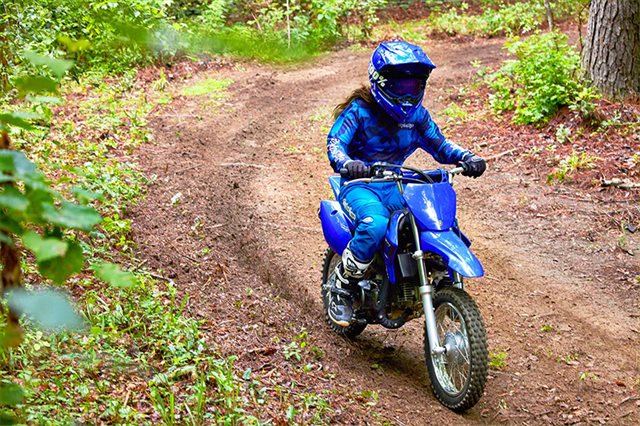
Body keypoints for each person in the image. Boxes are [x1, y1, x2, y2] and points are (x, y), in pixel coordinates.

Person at [326, 40, 486, 327]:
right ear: (381, 82)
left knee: (436, 218)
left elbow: (440, 144)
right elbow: (336, 142)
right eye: (400, 86)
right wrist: (347, 163)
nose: (407, 94)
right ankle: (342, 285)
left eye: (414, 86)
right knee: (375, 224)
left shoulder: (417, 117)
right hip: (361, 184)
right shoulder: (359, 111)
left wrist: (467, 157)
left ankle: (439, 278)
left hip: (396, 183)